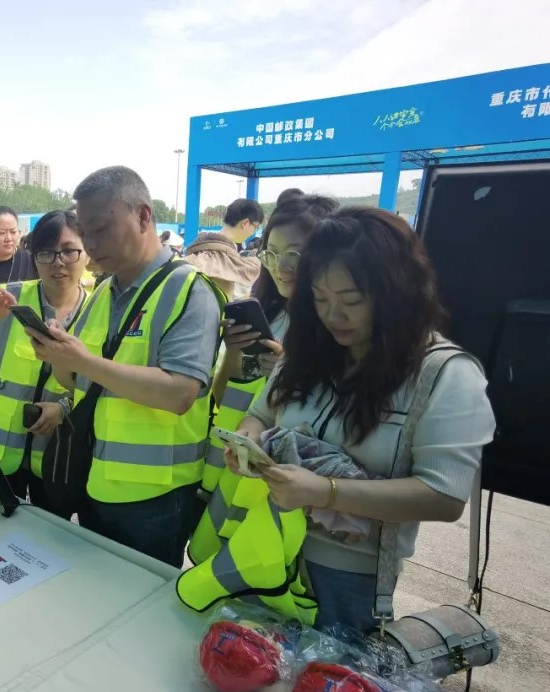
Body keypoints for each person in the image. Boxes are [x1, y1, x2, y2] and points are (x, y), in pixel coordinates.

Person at [228, 206, 495, 633]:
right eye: (320, 299)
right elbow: (261, 412)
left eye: (351, 301)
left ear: (397, 293)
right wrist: (247, 441)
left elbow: (443, 496)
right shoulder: (309, 350)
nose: (333, 316)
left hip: (349, 578)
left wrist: (327, 492)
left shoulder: (444, 374)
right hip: (266, 548)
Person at [27, 166, 225, 567]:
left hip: (156, 496)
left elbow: (179, 393)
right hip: (97, 479)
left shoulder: (189, 291)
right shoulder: (104, 292)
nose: (90, 244)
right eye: (85, 232)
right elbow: (77, 381)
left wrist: (84, 361)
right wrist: (59, 358)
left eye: (101, 229)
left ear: (144, 216)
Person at [192, 194, 340, 555]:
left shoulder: (337, 325)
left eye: (294, 255)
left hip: (292, 484)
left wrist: (292, 372)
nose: (280, 267)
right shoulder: (269, 311)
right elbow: (224, 393)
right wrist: (235, 351)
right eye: (271, 254)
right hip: (238, 462)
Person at [0, 209, 89, 516]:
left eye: (69, 251)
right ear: (34, 257)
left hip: (55, 458)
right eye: (46, 253)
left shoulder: (98, 310)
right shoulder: (9, 299)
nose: (58, 262)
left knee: (49, 535)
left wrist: (64, 408)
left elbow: (99, 386)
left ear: (86, 252)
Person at [184, 198, 263, 301]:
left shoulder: (194, 251)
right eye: (256, 227)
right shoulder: (224, 261)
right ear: (245, 223)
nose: (253, 232)